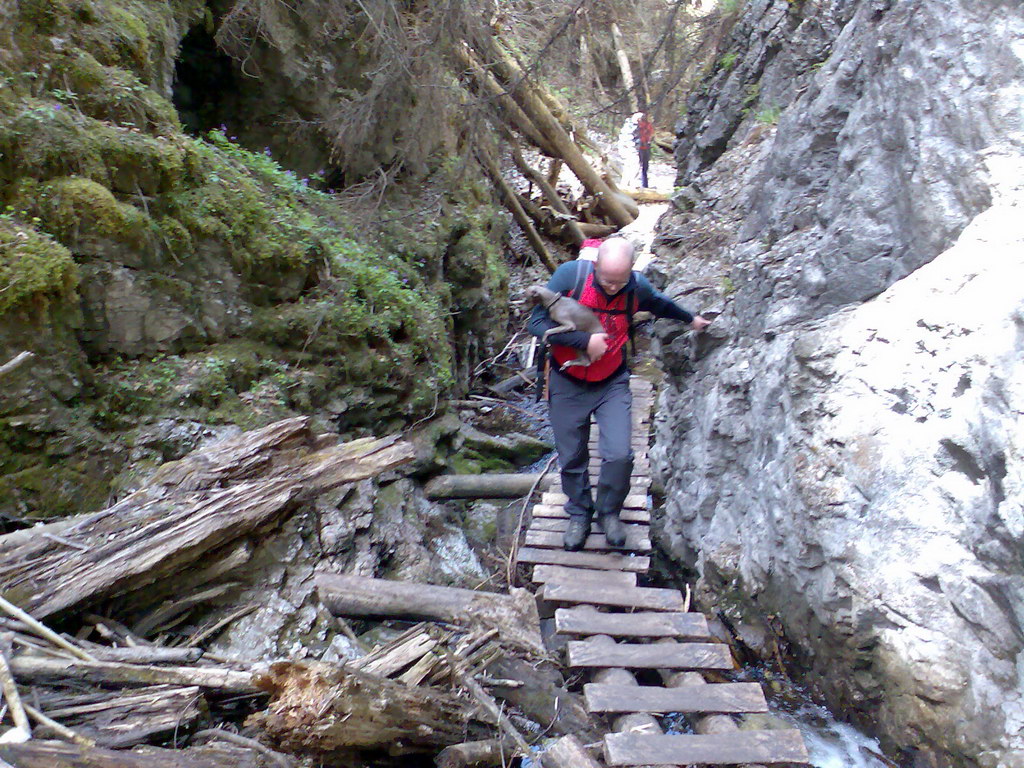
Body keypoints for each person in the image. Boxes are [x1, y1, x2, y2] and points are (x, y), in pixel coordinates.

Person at [528, 238, 711, 551]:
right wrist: (583, 342)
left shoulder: (636, 288)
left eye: (620, 281)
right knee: (572, 456)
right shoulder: (570, 277)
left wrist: (692, 320)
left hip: (611, 381)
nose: (613, 287)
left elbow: (660, 303)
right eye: (606, 280)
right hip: (566, 379)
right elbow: (537, 322)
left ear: (631, 273)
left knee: (619, 455)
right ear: (595, 266)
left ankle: (609, 512)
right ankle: (579, 514)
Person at [635, 112, 655, 189]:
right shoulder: (637, 126)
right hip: (639, 148)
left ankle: (644, 185)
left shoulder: (647, 125)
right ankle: (638, 184)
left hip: (645, 147)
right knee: (639, 166)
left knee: (644, 167)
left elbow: (650, 135)